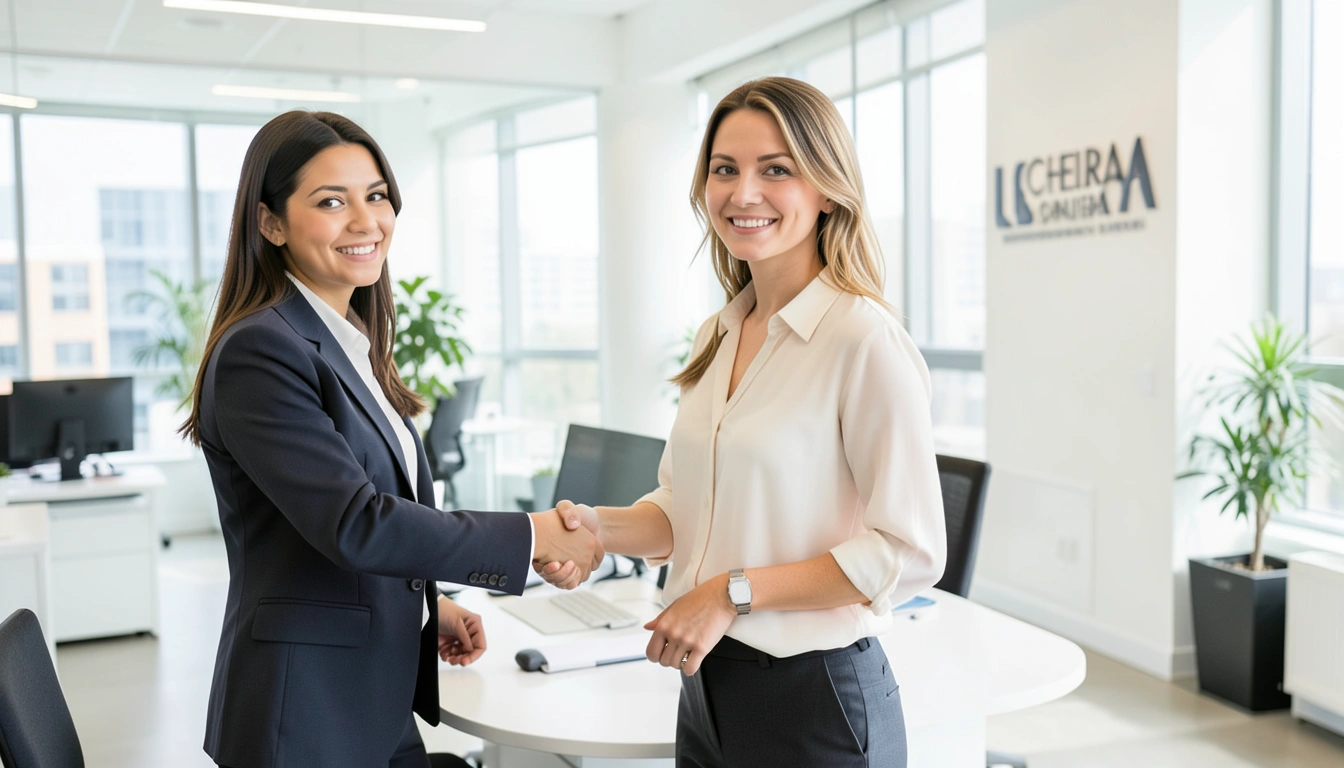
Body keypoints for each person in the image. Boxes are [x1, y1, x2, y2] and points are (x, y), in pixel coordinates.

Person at [180, 110, 603, 768]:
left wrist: (432, 603)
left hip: (367, 703)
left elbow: (368, 511)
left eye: (375, 196)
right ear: (270, 223)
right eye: (330, 201)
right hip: (304, 719)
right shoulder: (262, 350)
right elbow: (355, 523)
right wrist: (537, 535)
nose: (365, 221)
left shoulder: (349, 343)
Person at [546, 77, 947, 767]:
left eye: (776, 170)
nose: (743, 192)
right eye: (724, 169)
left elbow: (908, 552)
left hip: (816, 698)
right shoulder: (721, 332)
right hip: (708, 689)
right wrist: (596, 529)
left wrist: (731, 593)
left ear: (827, 190)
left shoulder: (861, 339)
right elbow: (686, 510)